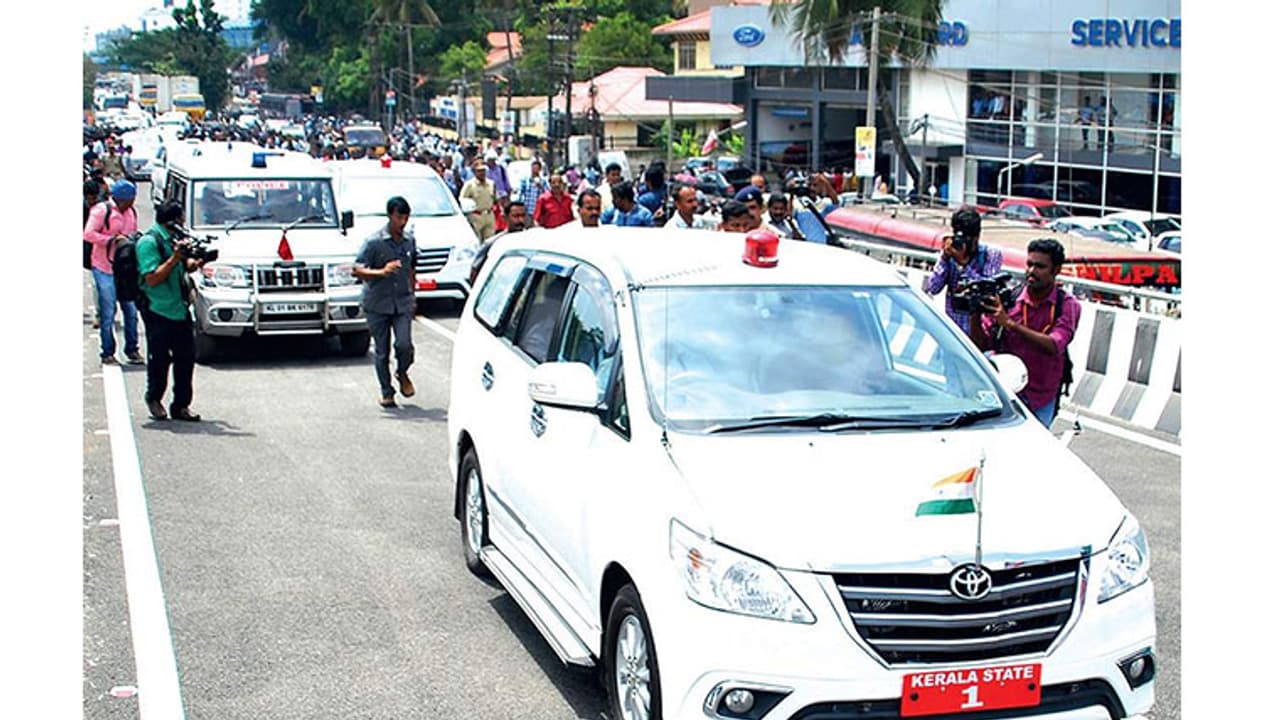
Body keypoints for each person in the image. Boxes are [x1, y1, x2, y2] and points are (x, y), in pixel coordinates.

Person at [969, 238, 1081, 429]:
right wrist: (975, 313)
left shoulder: (1068, 306)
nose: (1031, 271)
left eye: (1040, 266)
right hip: (1006, 393)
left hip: (1042, 396)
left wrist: (1011, 324)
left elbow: (1055, 345)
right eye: (1029, 264)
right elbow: (981, 346)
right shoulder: (1009, 299)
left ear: (1056, 270)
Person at [136, 200, 209, 421]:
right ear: (172, 220)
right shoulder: (149, 242)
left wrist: (196, 261)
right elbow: (153, 278)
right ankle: (154, 398)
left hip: (180, 308)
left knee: (186, 359)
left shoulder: (174, 239)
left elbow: (184, 265)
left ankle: (181, 406)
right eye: (180, 219)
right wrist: (175, 257)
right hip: (158, 309)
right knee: (159, 360)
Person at [354, 196, 419, 409]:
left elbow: (411, 269)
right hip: (377, 303)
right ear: (391, 215)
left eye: (406, 217)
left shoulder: (409, 241)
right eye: (400, 217)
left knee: (404, 344)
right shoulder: (374, 242)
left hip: (402, 302)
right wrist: (381, 272)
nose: (403, 222)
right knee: (381, 351)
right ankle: (386, 391)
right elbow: (357, 269)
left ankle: (402, 372)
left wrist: (413, 294)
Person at [83, 179, 142, 365]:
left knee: (131, 311)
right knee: (108, 312)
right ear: (123, 199)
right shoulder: (102, 211)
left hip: (125, 269)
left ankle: (132, 349)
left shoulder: (131, 213)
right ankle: (107, 351)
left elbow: (132, 232)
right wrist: (112, 240)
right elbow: (88, 234)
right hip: (104, 267)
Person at [926, 207, 1005, 330]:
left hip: (979, 330)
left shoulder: (991, 254)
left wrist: (964, 265)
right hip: (954, 329)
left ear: (977, 237)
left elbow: (987, 291)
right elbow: (933, 288)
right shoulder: (950, 254)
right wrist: (944, 259)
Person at [470, 200, 528, 285]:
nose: (520, 220)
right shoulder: (494, 243)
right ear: (505, 218)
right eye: (515, 216)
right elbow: (475, 271)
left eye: (523, 216)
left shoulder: (530, 241)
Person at [460, 161, 498, 241]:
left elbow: (495, 199)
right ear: (474, 172)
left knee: (490, 240)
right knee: (476, 240)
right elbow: (462, 199)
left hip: (489, 215)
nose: (482, 173)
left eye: (483, 171)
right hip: (476, 216)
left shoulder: (491, 184)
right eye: (479, 171)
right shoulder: (469, 185)